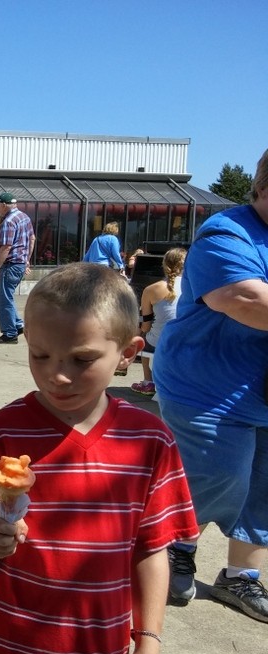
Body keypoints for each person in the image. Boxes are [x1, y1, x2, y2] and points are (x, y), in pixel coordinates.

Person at [0, 263, 198, 654]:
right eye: (40, 356)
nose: (58, 375)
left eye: (82, 359)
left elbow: (152, 549)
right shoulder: (0, 434)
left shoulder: (149, 442)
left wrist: (147, 646)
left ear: (128, 354)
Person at [154, 147, 268, 622]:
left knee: (263, 489)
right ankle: (170, 549)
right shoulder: (228, 230)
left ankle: (241, 577)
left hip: (260, 393)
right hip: (206, 387)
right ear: (262, 186)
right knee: (216, 477)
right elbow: (243, 298)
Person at [131, 247, 186, 396]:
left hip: (160, 343)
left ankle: (148, 381)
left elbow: (146, 326)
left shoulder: (151, 289)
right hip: (188, 341)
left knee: (142, 335)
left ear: (164, 264)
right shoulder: (195, 286)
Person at [0, 192, 35, 344]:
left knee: (2, 300)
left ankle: (10, 333)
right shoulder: (24, 217)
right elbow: (32, 239)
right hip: (20, 263)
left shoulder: (8, 221)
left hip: (10, 264)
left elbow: (6, 247)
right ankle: (17, 324)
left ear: (3, 205)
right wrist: (27, 260)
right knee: (7, 296)